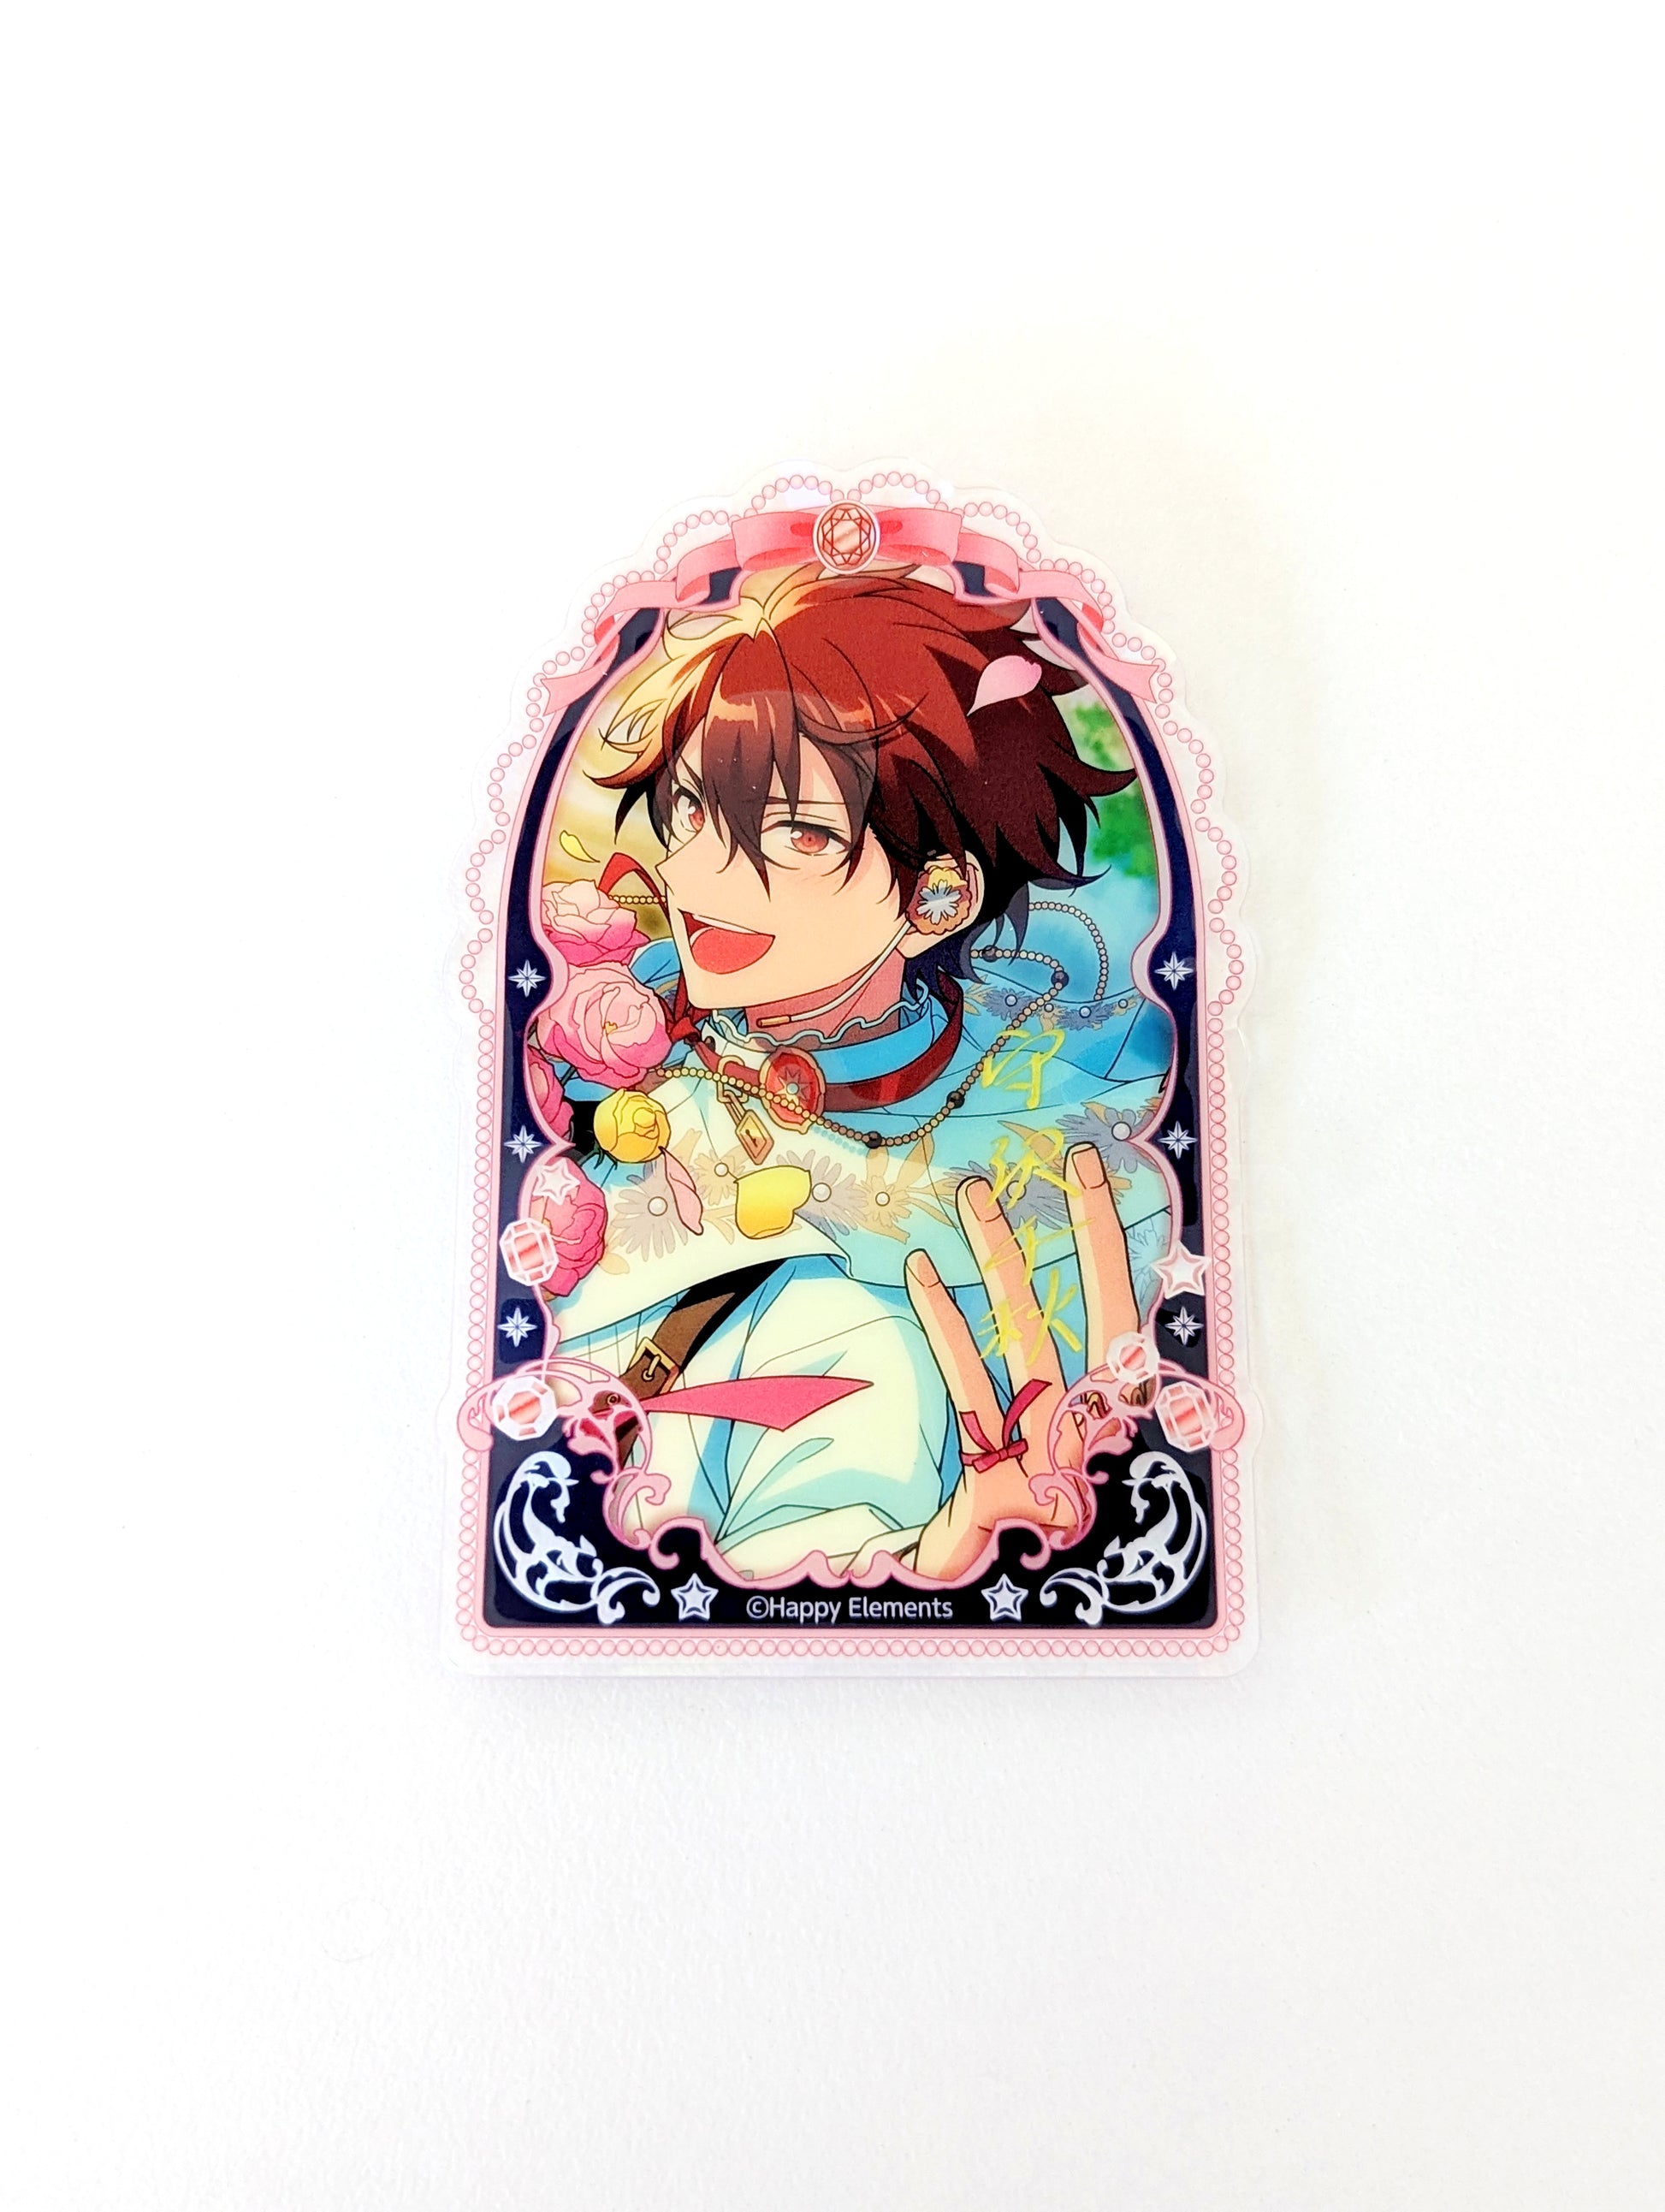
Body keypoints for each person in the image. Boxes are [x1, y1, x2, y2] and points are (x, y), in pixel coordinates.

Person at [518, 562, 1174, 1582]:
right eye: (688, 810)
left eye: (796, 832)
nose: (691, 876)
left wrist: (964, 1546)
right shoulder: (618, 1042)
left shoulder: (1053, 1125)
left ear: (938, 899)